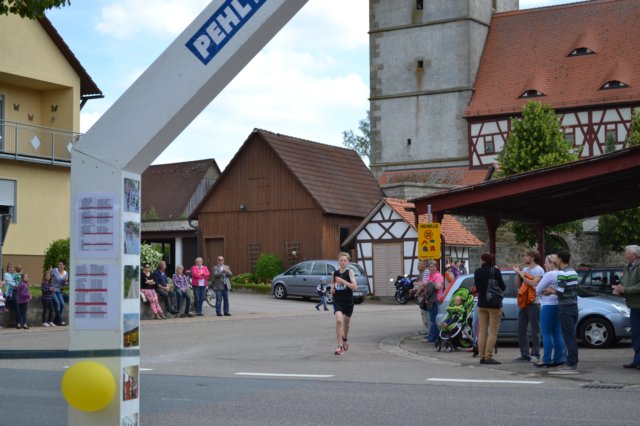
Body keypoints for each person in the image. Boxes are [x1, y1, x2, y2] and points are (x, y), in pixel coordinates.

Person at [546, 249, 580, 375]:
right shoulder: (573, 272)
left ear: (560, 259)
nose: (555, 259)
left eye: (556, 257)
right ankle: (572, 361)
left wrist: (550, 291)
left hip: (565, 307)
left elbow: (560, 292)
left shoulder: (562, 273)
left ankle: (571, 363)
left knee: (568, 336)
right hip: (573, 306)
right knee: (571, 335)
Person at [473, 252, 505, 365]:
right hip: (494, 305)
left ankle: (482, 356)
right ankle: (488, 357)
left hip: (481, 304)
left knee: (482, 331)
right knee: (493, 332)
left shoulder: (477, 271)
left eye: (481, 259)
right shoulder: (495, 271)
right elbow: (503, 287)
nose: (480, 261)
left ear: (484, 261)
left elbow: (477, 288)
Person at [512, 249, 544, 363]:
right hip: (524, 302)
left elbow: (534, 283)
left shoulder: (539, 270)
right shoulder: (525, 270)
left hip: (534, 302)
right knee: (521, 328)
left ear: (532, 257)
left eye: (526, 256)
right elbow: (519, 285)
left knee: (535, 329)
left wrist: (522, 274)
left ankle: (535, 354)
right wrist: (518, 274)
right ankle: (524, 354)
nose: (524, 257)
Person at [534, 254, 565, 368]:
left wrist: (546, 289)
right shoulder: (562, 273)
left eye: (546, 262)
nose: (544, 264)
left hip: (548, 305)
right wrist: (552, 289)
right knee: (557, 333)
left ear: (552, 263)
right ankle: (559, 358)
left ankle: (546, 359)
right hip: (558, 304)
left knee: (546, 333)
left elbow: (537, 289)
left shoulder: (549, 274)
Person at [612, 245, 640, 370]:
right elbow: (624, 281)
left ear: (634, 255)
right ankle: (637, 360)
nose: (625, 255)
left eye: (627, 253)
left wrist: (625, 290)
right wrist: (619, 288)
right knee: (635, 334)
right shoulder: (628, 267)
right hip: (633, 305)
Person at [331, 252, 358, 355]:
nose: (343, 262)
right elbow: (333, 285)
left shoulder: (350, 272)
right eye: (341, 260)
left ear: (348, 262)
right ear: (338, 262)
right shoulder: (334, 273)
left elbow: (355, 287)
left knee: (347, 324)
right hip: (338, 300)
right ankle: (340, 346)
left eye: (345, 261)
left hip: (348, 301)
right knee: (339, 321)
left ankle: (345, 339)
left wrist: (343, 280)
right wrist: (332, 290)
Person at [424, 260, 444, 342]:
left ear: (436, 267)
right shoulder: (430, 275)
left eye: (433, 266)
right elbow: (427, 285)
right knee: (432, 319)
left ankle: (432, 337)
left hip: (435, 299)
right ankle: (432, 336)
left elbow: (438, 287)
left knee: (434, 319)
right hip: (430, 299)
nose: (432, 268)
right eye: (430, 267)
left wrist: (429, 284)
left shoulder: (438, 276)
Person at [410, 259, 429, 335]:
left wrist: (415, 291)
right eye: (418, 265)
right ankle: (426, 328)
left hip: (424, 296)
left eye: (420, 265)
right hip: (422, 296)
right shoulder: (421, 273)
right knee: (423, 313)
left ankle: (427, 329)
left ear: (425, 265)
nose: (418, 266)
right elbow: (419, 284)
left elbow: (423, 285)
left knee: (425, 313)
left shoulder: (425, 272)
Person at [50, 260, 68, 326]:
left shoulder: (66, 273)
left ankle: (56, 320)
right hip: (53, 290)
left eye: (61, 264)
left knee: (62, 304)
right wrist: (50, 272)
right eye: (59, 264)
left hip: (59, 291)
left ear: (64, 266)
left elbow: (64, 284)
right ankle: (60, 321)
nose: (59, 266)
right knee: (57, 303)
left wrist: (65, 281)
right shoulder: (54, 270)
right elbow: (48, 278)